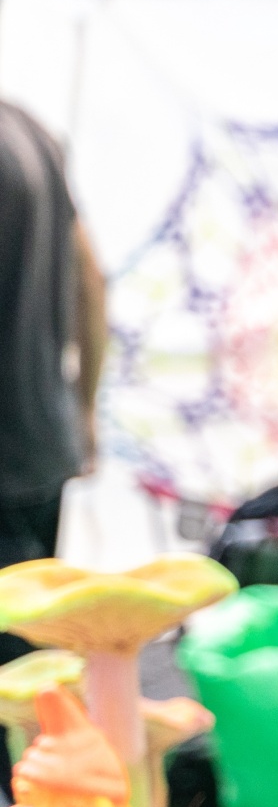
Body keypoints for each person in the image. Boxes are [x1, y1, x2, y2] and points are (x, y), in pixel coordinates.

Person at [0, 101, 107, 643]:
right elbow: (91, 280)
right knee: (30, 651)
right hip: (44, 439)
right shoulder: (31, 131)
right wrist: (84, 407)